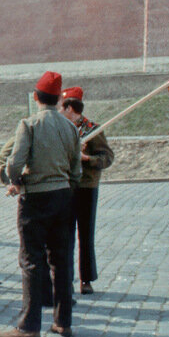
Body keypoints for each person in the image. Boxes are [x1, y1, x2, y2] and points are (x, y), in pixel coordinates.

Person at [0, 72, 82, 337]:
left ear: (36, 97)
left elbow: (14, 163)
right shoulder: (70, 127)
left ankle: (29, 325)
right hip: (63, 196)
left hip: (35, 198)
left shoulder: (29, 124)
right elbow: (76, 169)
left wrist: (16, 179)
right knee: (61, 260)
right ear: (59, 99)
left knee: (32, 261)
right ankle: (63, 321)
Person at [60, 86, 114, 295]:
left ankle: (86, 279)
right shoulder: (62, 129)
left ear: (71, 108)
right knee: (65, 235)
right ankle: (66, 278)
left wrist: (87, 159)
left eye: (64, 108)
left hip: (86, 187)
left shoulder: (93, 130)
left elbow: (107, 157)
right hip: (66, 187)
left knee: (86, 234)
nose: (61, 112)